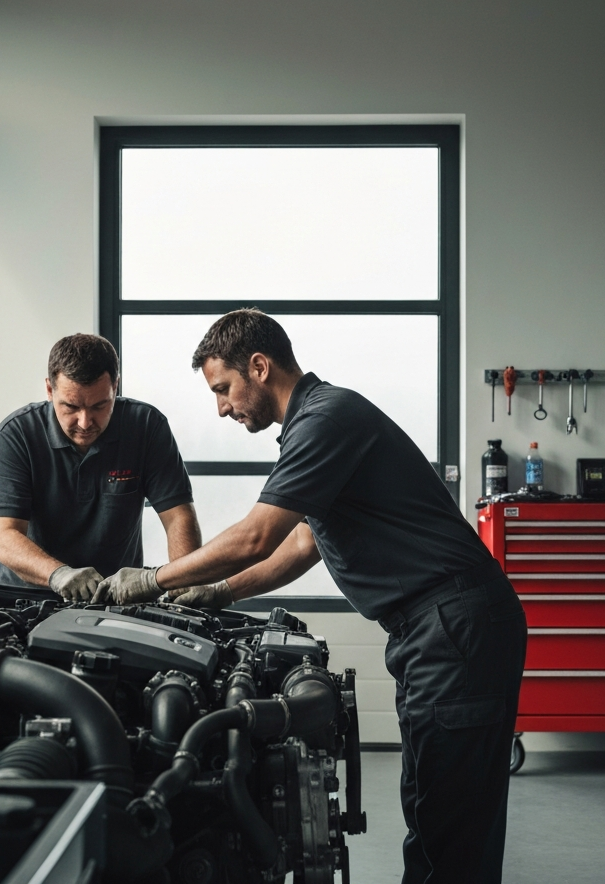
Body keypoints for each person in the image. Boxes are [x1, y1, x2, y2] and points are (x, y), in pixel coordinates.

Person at [92, 310, 526, 884]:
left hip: (454, 627)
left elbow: (257, 535)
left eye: (223, 389)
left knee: (453, 824)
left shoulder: (325, 419)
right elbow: (301, 544)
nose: (221, 407)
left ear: (259, 366)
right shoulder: (318, 422)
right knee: (430, 807)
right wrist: (218, 592)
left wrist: (153, 579)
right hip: (439, 630)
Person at [0, 333, 200, 600]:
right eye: (71, 406)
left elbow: (178, 516)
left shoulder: (146, 426)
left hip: (114, 597)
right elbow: (5, 536)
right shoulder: (16, 434)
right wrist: (59, 574)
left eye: (100, 405)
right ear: (50, 390)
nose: (85, 422)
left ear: (116, 386)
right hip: (25, 597)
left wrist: (183, 584)